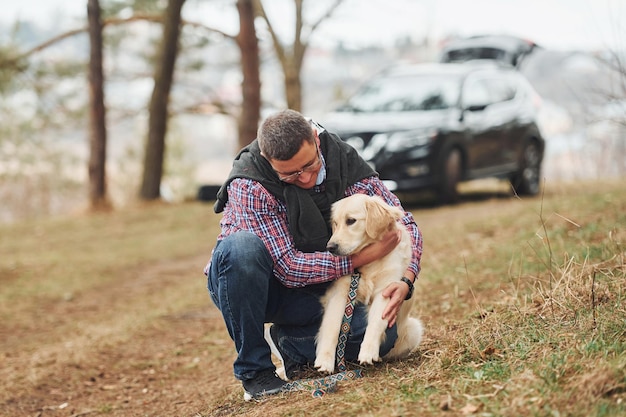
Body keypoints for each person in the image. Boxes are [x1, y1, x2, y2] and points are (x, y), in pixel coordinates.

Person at [205, 109, 423, 401]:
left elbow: (403, 222)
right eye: (291, 174)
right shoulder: (250, 182)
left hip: (315, 288)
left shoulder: (342, 160)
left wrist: (406, 279)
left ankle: (292, 344)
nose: (306, 178)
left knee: (384, 335)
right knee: (241, 248)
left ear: (316, 143)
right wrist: (359, 259)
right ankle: (255, 373)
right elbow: (288, 267)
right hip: (251, 286)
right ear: (270, 162)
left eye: (309, 165)